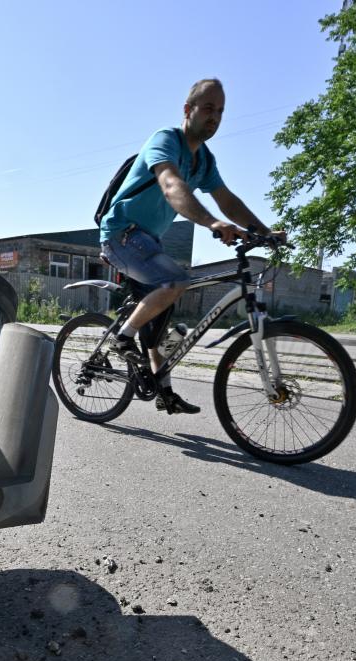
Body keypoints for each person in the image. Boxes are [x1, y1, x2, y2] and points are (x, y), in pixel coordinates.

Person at [98, 78, 283, 414]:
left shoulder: (204, 161)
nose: (215, 117)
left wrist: (266, 233)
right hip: (121, 234)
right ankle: (121, 338)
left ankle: (163, 391)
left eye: (221, 112)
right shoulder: (165, 140)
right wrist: (211, 223)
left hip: (147, 242)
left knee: (162, 325)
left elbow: (227, 199)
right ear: (188, 110)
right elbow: (171, 185)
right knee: (176, 281)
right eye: (208, 108)